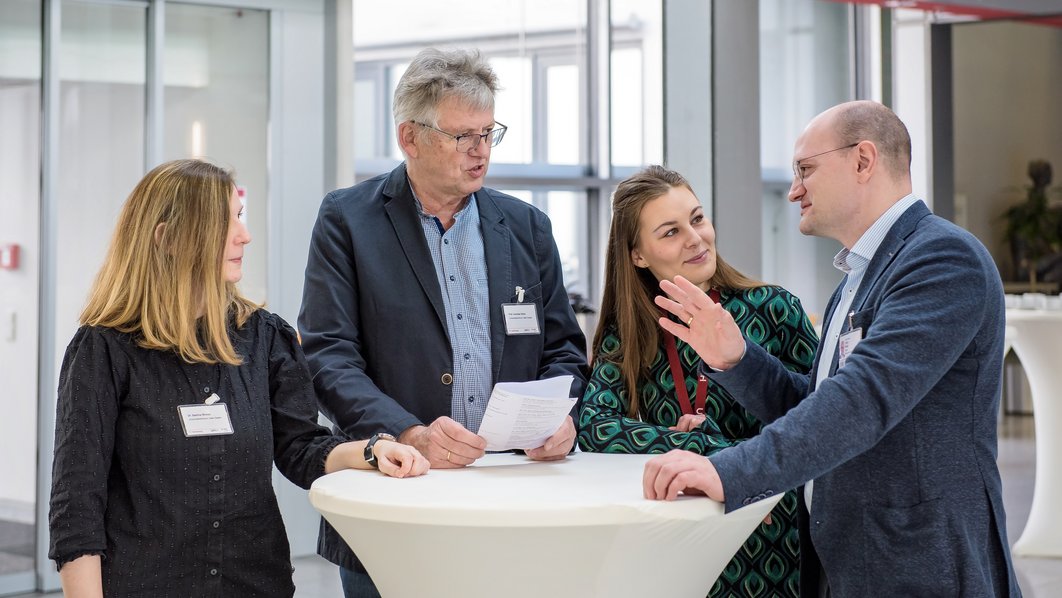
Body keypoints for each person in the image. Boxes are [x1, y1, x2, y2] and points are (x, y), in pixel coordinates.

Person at [643, 101, 1022, 596]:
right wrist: (738, 360)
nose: (794, 190)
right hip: (852, 558)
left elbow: (861, 402)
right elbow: (819, 403)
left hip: (921, 564)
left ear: (863, 160)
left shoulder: (944, 259)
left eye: (805, 169)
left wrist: (728, 470)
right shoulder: (855, 280)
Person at [48, 159, 429, 598]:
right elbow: (77, 503)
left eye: (240, 217)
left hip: (253, 583)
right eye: (223, 222)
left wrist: (372, 450)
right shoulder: (104, 351)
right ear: (167, 238)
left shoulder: (264, 338)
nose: (243, 235)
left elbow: (300, 447)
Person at [299, 47, 589, 597]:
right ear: (409, 138)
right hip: (396, 497)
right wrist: (409, 433)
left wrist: (560, 416)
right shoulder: (348, 220)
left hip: (514, 499)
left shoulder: (527, 226)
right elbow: (327, 355)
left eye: (488, 133)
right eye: (463, 137)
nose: (481, 152)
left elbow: (565, 351)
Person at [577, 165, 819, 597]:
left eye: (697, 218)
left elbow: (821, 418)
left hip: (771, 529)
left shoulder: (775, 308)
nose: (695, 238)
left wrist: (718, 461)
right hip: (680, 539)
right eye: (670, 232)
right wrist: (699, 446)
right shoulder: (630, 331)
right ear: (637, 255)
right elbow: (594, 426)